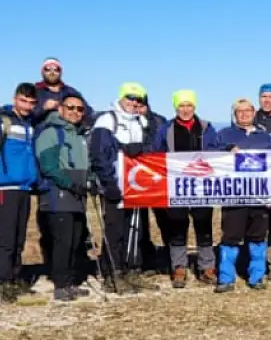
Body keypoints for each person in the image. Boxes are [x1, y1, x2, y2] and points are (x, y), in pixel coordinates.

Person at [88, 82, 155, 294]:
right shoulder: (108, 120)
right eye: (130, 98)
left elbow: (149, 151)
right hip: (115, 187)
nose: (134, 103)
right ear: (121, 98)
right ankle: (113, 274)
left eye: (138, 100)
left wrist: (141, 149)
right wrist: (108, 184)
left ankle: (131, 271)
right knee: (114, 232)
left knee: (135, 231)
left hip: (136, 188)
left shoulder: (141, 122)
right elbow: (99, 154)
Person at [153, 90, 220, 287]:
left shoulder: (207, 128)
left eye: (189, 105)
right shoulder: (166, 129)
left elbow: (216, 150)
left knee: (204, 226)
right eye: (181, 105)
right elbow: (156, 153)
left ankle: (207, 266)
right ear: (175, 107)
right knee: (177, 227)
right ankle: (179, 267)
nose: (185, 110)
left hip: (202, 186)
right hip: (177, 186)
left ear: (194, 107)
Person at [34, 93, 92, 302]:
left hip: (77, 195)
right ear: (61, 109)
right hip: (57, 195)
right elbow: (48, 165)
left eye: (79, 109)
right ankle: (60, 284)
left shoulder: (79, 135)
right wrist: (69, 184)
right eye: (70, 107)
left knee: (76, 240)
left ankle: (70, 282)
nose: (75, 112)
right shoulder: (50, 133)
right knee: (62, 240)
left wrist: (90, 180)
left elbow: (85, 164)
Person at [214, 98, 271, 292]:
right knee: (231, 236)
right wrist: (226, 150)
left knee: (257, 236)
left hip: (259, 196)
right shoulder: (223, 135)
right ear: (234, 114)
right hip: (234, 196)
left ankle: (256, 276)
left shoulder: (265, 137)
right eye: (240, 111)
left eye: (248, 110)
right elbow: (210, 156)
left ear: (254, 112)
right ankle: (225, 278)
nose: (244, 114)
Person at [0, 84, 41, 303]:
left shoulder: (29, 124)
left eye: (31, 103)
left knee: (19, 237)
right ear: (15, 99)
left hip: (25, 188)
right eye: (23, 101)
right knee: (5, 239)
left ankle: (14, 279)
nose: (27, 106)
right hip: (5, 187)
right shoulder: (4, 121)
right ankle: (3, 283)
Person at [136, 96, 169, 275]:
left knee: (165, 219)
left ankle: (169, 258)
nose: (137, 108)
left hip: (158, 177)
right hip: (135, 177)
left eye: (141, 104)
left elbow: (164, 146)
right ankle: (144, 260)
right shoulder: (126, 121)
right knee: (139, 222)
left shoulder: (159, 121)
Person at [32, 58, 92, 128]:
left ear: (61, 72)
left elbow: (89, 113)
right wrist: (43, 108)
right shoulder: (34, 91)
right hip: (41, 134)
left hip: (69, 134)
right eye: (47, 69)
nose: (52, 72)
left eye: (56, 69)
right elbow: (26, 117)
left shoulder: (71, 91)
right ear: (42, 72)